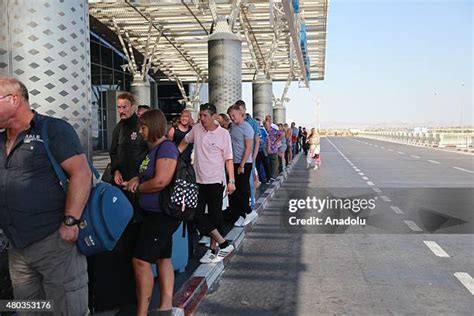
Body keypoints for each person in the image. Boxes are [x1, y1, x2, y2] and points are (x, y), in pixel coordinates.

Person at [0, 77, 92, 315]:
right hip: (18, 247)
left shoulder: (52, 129)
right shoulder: (1, 139)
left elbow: (81, 174)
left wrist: (70, 222)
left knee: (67, 309)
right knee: (29, 309)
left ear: (13, 100)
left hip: (55, 242)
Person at [122, 109, 181, 316]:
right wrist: (136, 179)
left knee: (140, 260)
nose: (140, 131)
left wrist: (138, 188)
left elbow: (161, 181)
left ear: (154, 126)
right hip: (152, 213)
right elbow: (146, 175)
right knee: (163, 258)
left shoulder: (166, 149)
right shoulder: (153, 150)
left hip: (161, 215)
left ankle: (142, 312)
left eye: (144, 127)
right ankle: (165, 306)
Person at [178, 103, 236, 263]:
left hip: (216, 180)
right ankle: (224, 244)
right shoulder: (196, 129)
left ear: (214, 117)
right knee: (196, 214)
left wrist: (231, 180)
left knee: (215, 216)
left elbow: (229, 159)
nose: (201, 119)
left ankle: (212, 249)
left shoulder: (223, 134)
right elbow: (184, 141)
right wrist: (173, 155)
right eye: (200, 116)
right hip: (197, 180)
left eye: (204, 116)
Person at [107, 91, 149, 309]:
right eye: (119, 107)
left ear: (133, 106)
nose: (121, 110)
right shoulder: (117, 128)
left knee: (137, 230)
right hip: (120, 187)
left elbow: (150, 155)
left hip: (139, 189)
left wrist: (138, 176)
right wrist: (115, 171)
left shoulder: (142, 127)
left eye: (124, 106)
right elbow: (113, 153)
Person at [227, 104, 257, 227]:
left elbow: (248, 148)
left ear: (240, 113)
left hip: (244, 163)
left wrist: (242, 164)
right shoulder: (233, 127)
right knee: (234, 191)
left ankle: (249, 212)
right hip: (233, 162)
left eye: (233, 115)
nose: (232, 118)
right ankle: (241, 215)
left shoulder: (247, 128)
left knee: (242, 191)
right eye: (230, 116)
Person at [234, 100, 260, 210]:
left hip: (249, 157)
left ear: (244, 110)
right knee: (241, 184)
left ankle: (251, 203)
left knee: (249, 181)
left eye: (240, 110)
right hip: (237, 158)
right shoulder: (234, 124)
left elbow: (257, 141)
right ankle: (240, 207)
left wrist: (253, 157)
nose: (239, 113)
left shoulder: (252, 123)